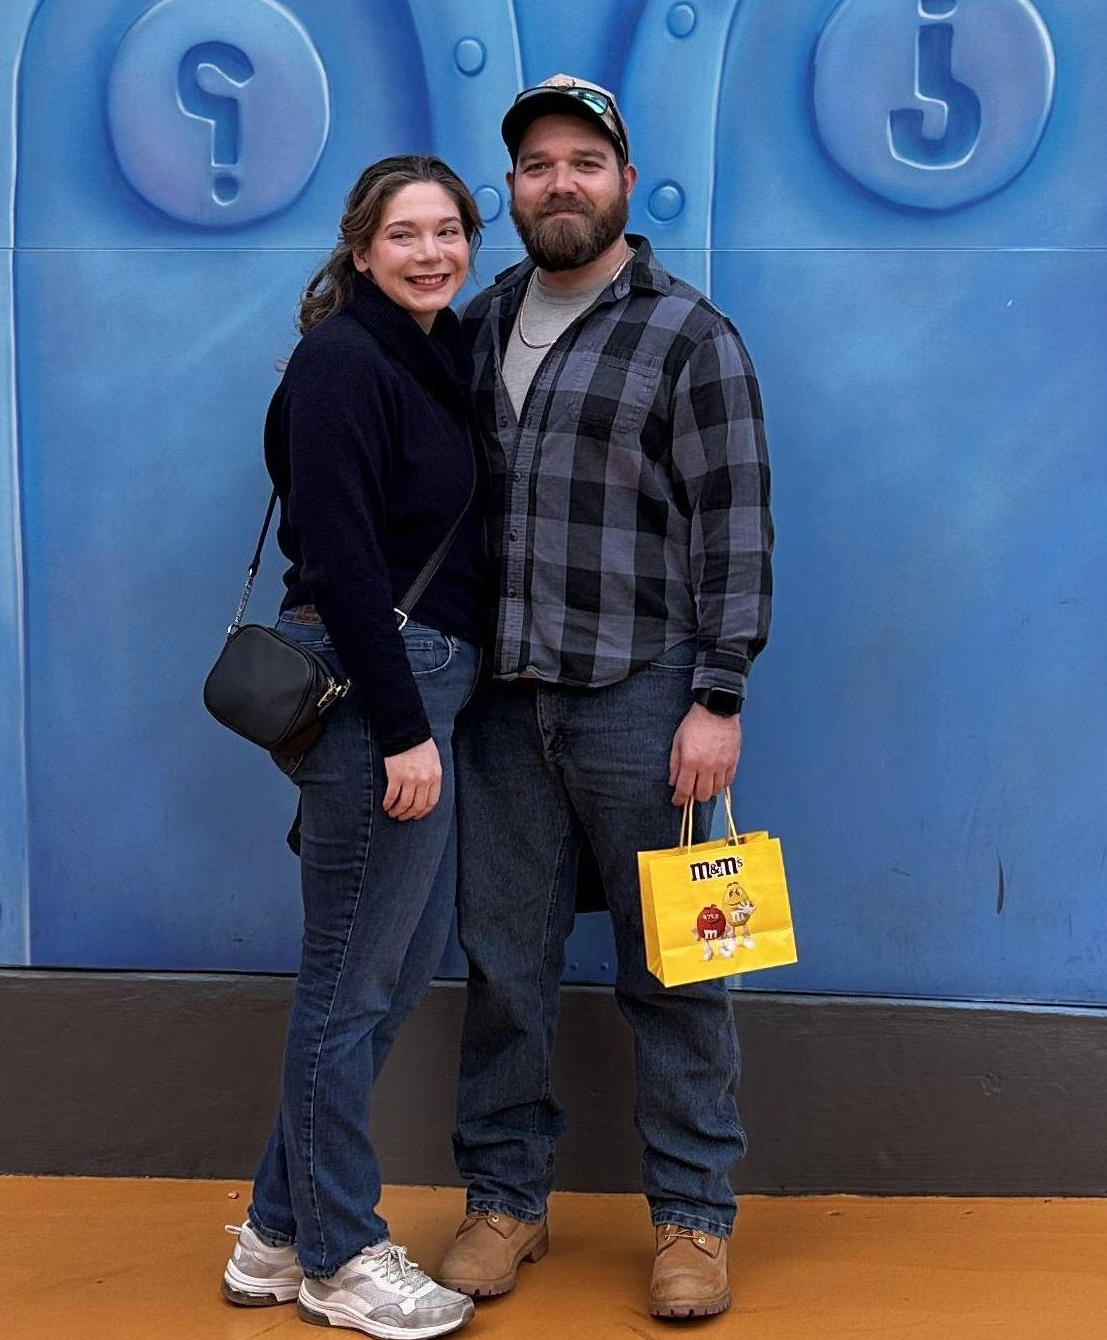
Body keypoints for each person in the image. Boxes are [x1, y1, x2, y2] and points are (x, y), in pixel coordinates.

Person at [437, 77, 772, 1326]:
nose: (559, 182)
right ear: (510, 190)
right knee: (502, 965)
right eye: (537, 165)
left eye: (584, 162)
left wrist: (716, 698)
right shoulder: (476, 324)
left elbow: (735, 526)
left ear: (626, 184)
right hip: (499, 708)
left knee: (678, 965)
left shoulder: (688, 335)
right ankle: (503, 1200)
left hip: (644, 697)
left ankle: (692, 1220)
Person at [222, 157, 492, 1338]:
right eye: (403, 234)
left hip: (427, 684)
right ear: (361, 247)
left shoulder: (435, 354)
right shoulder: (343, 362)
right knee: (347, 987)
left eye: (447, 231)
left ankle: (274, 1234)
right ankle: (339, 1256)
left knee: (387, 976)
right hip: (383, 693)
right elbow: (338, 562)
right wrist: (400, 732)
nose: (429, 253)